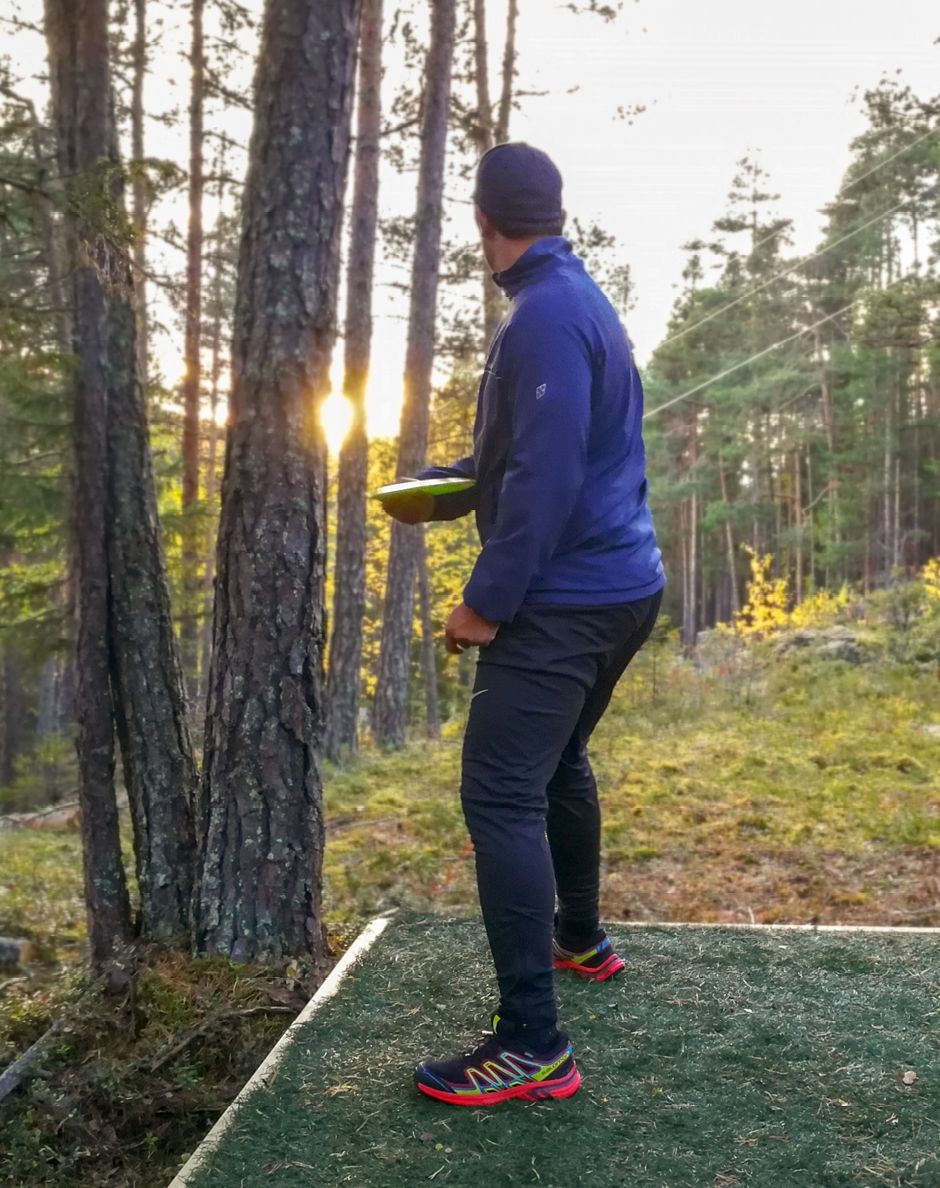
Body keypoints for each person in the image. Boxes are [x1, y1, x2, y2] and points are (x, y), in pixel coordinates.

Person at [381, 142, 665, 1107]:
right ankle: (579, 940)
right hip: (623, 586)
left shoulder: (541, 319)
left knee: (501, 794)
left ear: (481, 223)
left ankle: (533, 1044)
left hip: (566, 600)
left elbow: (544, 482)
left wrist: (483, 605)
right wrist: (451, 488)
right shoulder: (573, 299)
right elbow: (538, 454)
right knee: (558, 765)